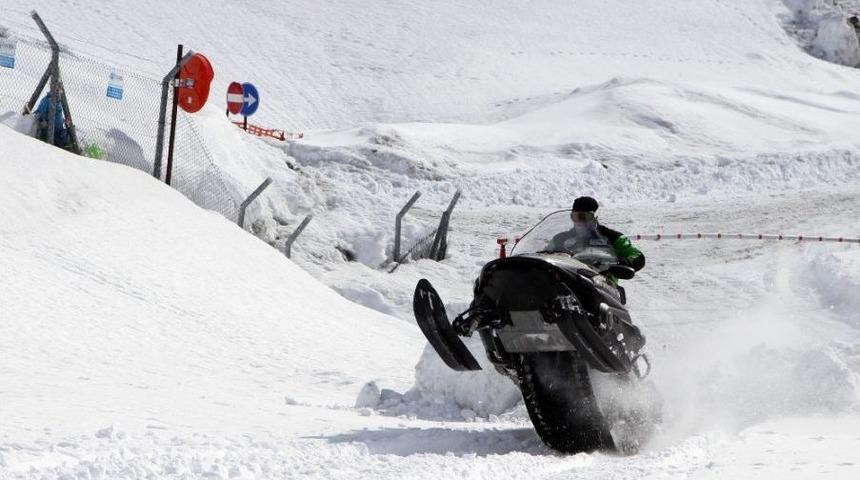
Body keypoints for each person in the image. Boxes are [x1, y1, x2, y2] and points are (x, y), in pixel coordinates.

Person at [546, 196, 645, 274]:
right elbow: (544, 254)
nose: (581, 222)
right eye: (576, 217)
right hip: (570, 281)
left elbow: (637, 256)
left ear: (595, 217)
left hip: (604, 284)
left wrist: (624, 262)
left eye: (586, 217)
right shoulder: (560, 239)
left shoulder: (612, 237)